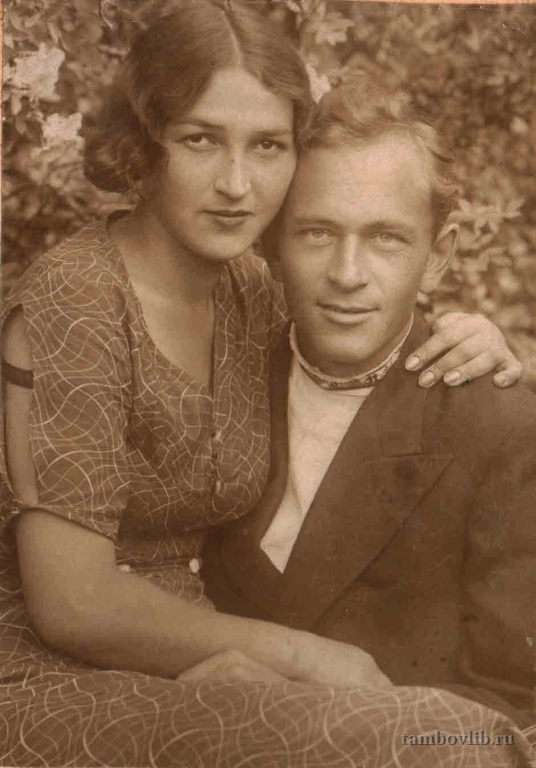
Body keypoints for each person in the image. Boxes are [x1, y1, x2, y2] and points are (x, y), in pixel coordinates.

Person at [0, 2, 529, 765]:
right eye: (200, 140)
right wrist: (307, 659)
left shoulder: (251, 291)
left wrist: (480, 341)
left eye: (269, 146)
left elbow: (358, 312)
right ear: (145, 143)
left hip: (204, 665)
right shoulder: (77, 297)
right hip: (53, 675)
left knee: (454, 731)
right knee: (448, 747)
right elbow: (73, 603)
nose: (237, 183)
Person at [204, 81, 536, 737]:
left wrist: (299, 709)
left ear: (437, 257)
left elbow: (514, 715)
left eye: (386, 237)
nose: (347, 273)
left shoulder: (499, 428)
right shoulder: (220, 368)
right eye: (317, 232)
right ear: (272, 246)